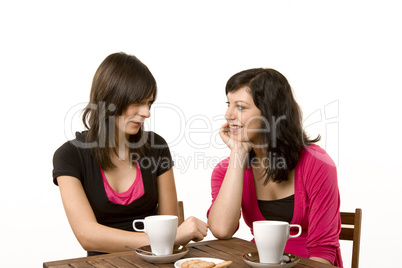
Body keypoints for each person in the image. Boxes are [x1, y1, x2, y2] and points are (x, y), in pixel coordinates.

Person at [53, 52, 208, 256]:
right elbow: (87, 236)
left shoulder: (156, 147)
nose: (146, 112)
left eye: (149, 103)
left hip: (154, 261)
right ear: (110, 100)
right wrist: (166, 238)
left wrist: (171, 236)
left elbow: (170, 224)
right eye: (137, 102)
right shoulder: (70, 155)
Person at [207, 68, 343, 267]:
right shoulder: (226, 170)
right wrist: (238, 153)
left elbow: (323, 250)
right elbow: (221, 230)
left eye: (241, 107)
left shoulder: (317, 163)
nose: (228, 115)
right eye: (229, 104)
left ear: (269, 113)